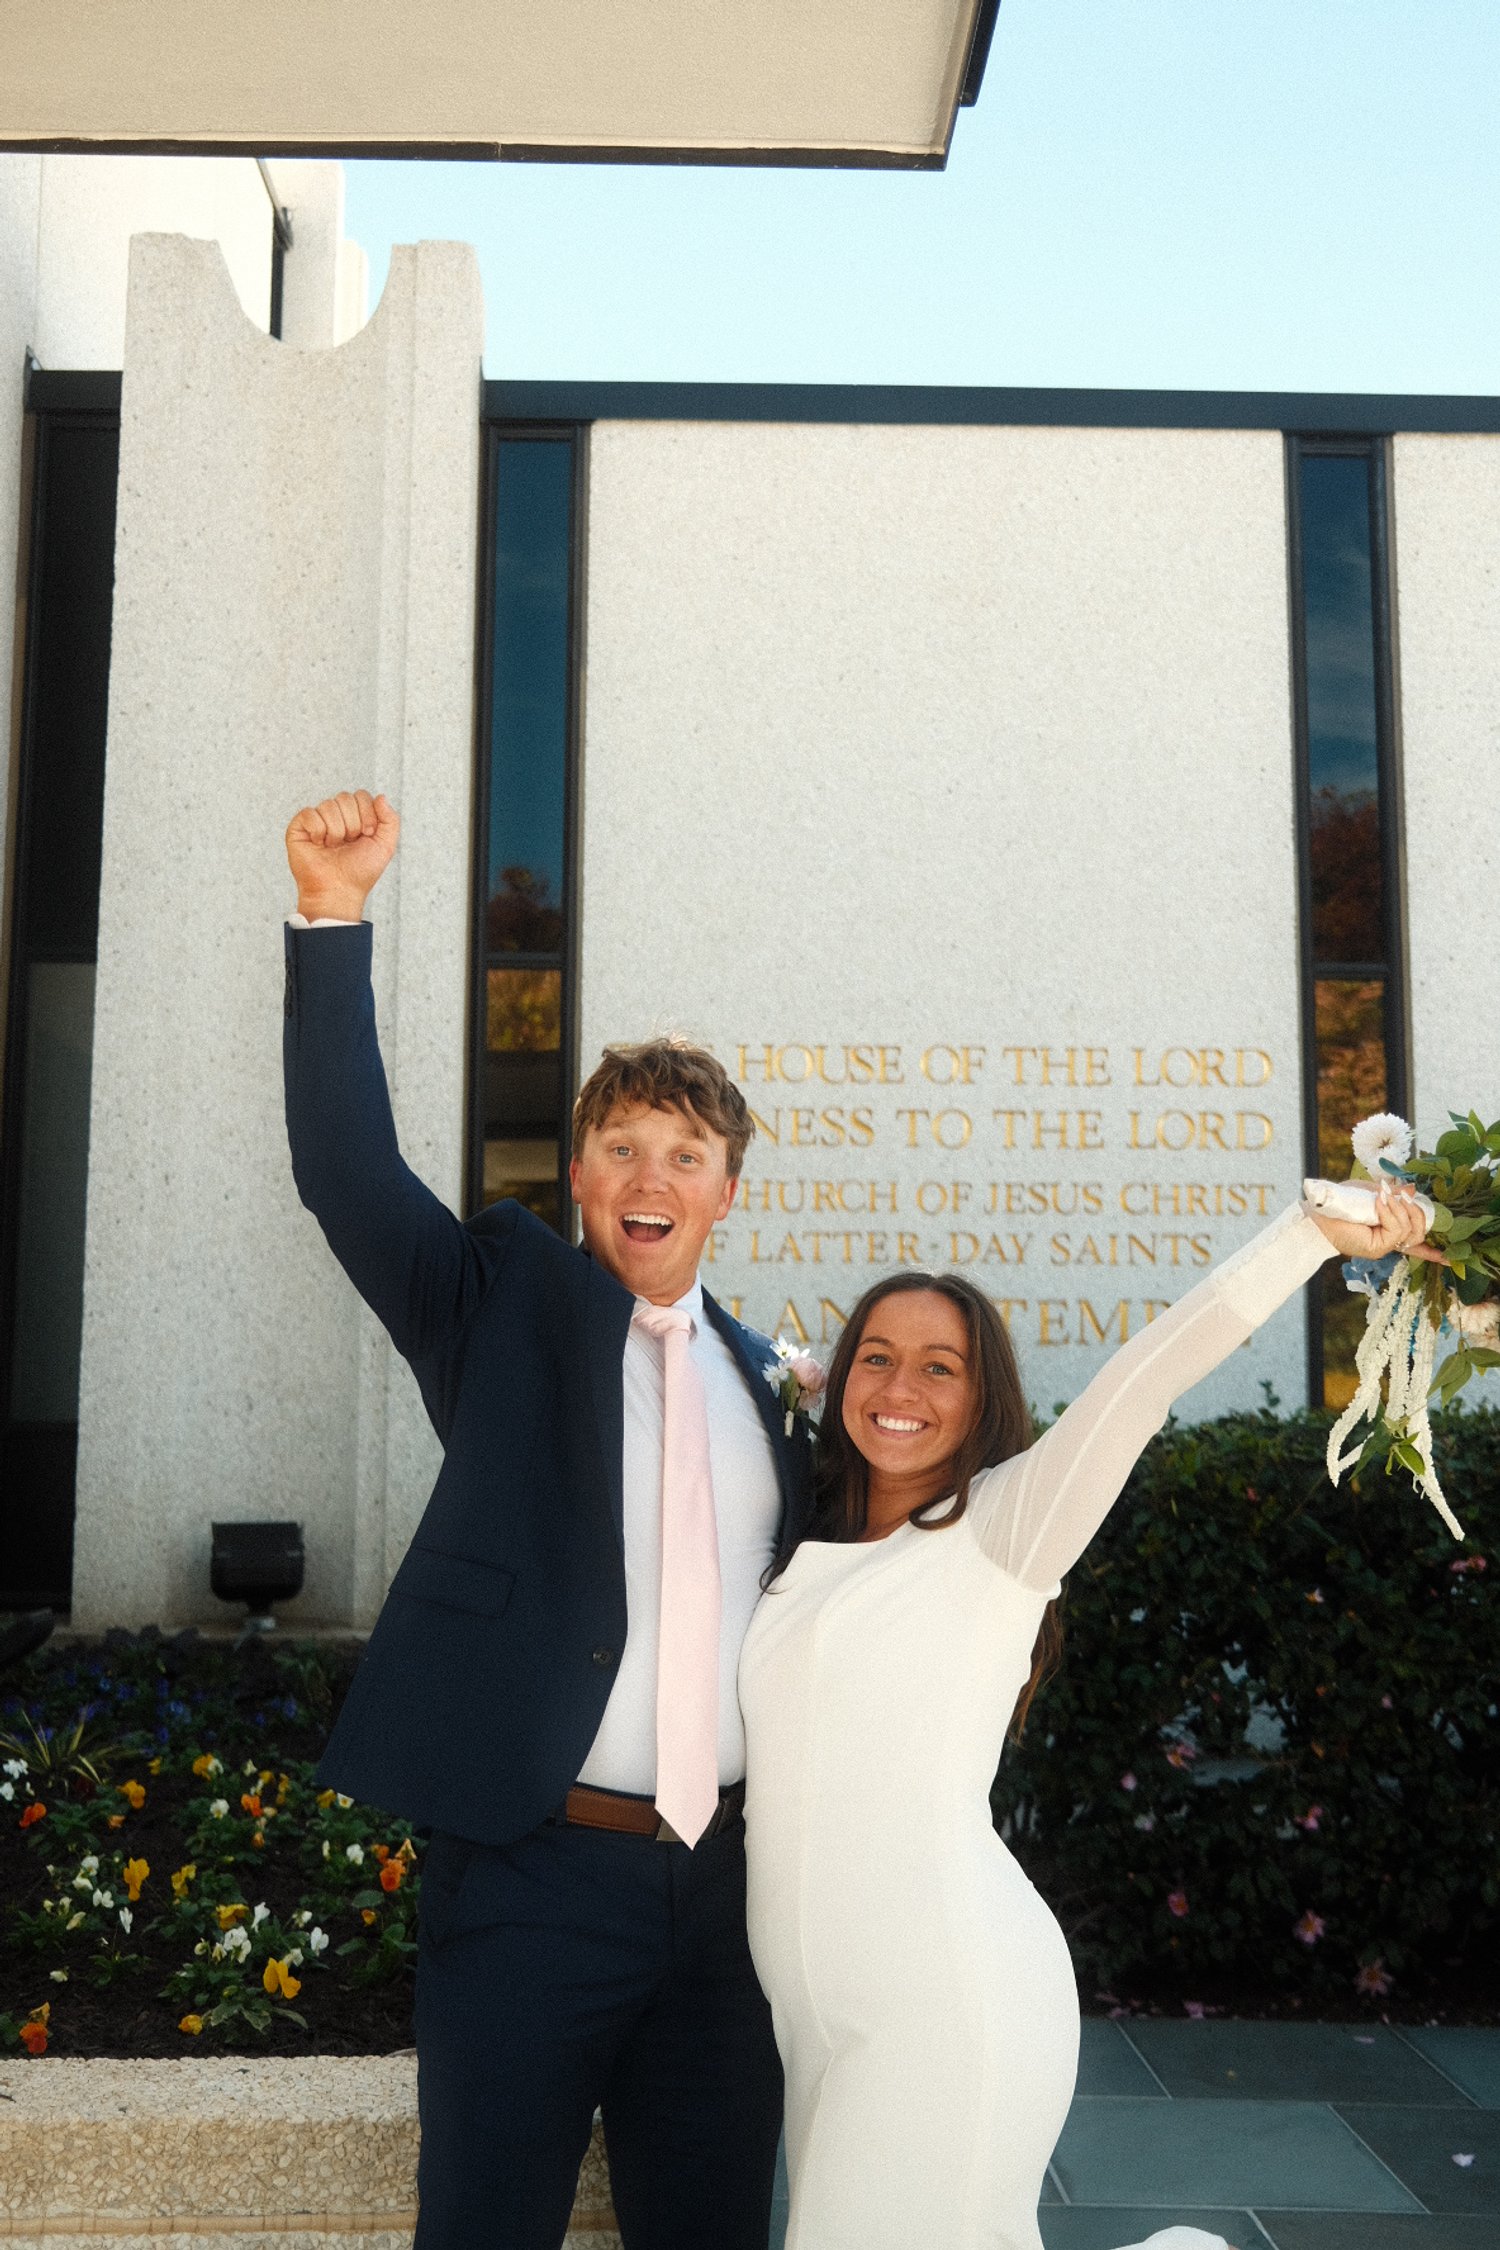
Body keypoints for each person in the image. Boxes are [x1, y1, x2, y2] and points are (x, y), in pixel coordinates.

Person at [282, 789, 812, 2250]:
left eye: (686, 1154)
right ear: (579, 1176)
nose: (654, 1176)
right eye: (624, 1146)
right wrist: (332, 919)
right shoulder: (497, 1309)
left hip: (730, 1907)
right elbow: (347, 1176)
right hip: (532, 1879)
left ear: (728, 1194)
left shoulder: (773, 1380)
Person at [739, 1182, 1436, 2250]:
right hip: (813, 2020)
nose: (900, 1387)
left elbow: (1143, 1378)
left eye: (941, 1366)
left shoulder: (1003, 1529)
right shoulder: (802, 1554)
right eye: (877, 1355)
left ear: (983, 1399)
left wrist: (1306, 1238)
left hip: (947, 1998)